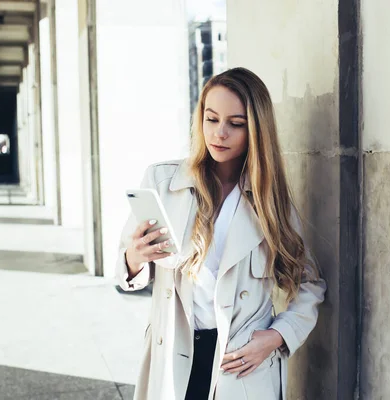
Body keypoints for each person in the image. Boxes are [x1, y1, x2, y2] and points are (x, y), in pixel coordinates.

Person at [116, 67, 326, 400]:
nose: (220, 133)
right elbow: (127, 272)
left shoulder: (270, 202)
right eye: (211, 119)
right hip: (172, 359)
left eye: (236, 124)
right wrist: (135, 257)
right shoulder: (163, 182)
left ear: (256, 129)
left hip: (241, 368)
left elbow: (310, 283)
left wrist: (276, 337)